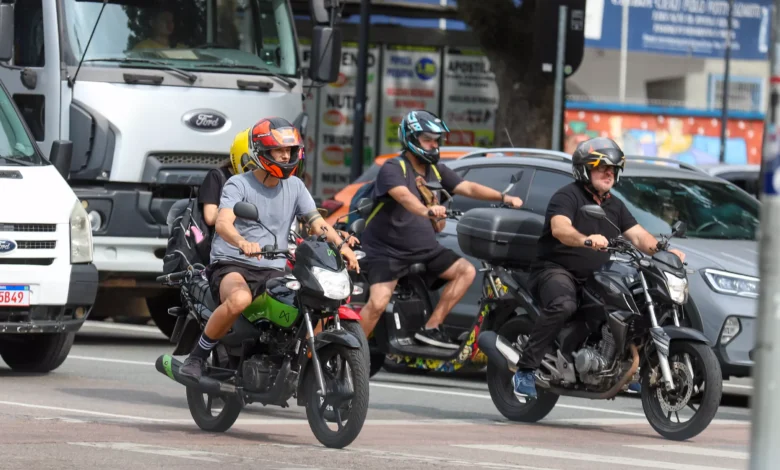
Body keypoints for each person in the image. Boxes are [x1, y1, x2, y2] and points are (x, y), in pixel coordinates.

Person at [179, 117, 359, 380]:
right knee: (240, 299)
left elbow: (317, 222)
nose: (286, 156)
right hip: (233, 263)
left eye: (289, 150)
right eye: (279, 150)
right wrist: (242, 242)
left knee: (310, 303)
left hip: (274, 268)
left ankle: (295, 363)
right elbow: (222, 222)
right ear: (262, 152)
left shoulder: (296, 186)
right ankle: (196, 357)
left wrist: (342, 247)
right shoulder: (238, 183)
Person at [512, 137, 686, 398]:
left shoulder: (614, 205)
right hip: (556, 270)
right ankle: (525, 369)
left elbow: (639, 237)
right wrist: (586, 239)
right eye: (601, 167)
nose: (609, 173)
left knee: (628, 305)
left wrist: (665, 252)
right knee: (563, 304)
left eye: (613, 169)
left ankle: (618, 366)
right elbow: (560, 228)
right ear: (584, 169)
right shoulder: (567, 196)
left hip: (595, 276)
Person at [357, 110, 523, 349]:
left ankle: (431, 328)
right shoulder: (394, 168)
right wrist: (427, 211)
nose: (434, 145)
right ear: (411, 139)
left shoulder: (435, 170)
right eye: (428, 140)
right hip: (388, 252)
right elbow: (403, 197)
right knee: (378, 303)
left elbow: (469, 188)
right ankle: (351, 354)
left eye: (436, 140)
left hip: (425, 250)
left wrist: (504, 197)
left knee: (466, 271)